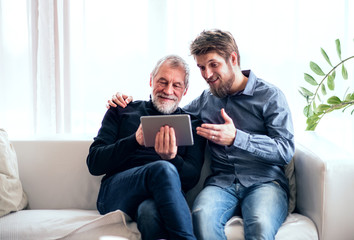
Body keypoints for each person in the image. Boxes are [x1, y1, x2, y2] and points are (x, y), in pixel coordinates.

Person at [109, 29, 295, 240]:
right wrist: (127, 105)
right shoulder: (206, 100)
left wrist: (237, 138)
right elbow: (169, 109)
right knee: (201, 218)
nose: (207, 74)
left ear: (232, 59)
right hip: (221, 185)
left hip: (266, 183)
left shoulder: (270, 96)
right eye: (201, 67)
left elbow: (285, 150)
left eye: (213, 65)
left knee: (259, 225)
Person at [87, 55, 205, 240]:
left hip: (162, 197)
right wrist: (134, 141)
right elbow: (94, 163)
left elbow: (191, 178)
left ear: (185, 90)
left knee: (149, 213)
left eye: (176, 85)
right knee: (162, 168)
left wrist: (172, 157)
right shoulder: (122, 110)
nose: (168, 90)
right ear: (151, 80)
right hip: (117, 192)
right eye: (162, 82)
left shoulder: (192, 124)